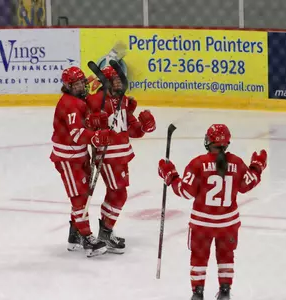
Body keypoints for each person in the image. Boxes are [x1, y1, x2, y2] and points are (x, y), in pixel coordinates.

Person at [157, 124, 267, 300]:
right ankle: (225, 292)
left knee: (199, 258)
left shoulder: (198, 163)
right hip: (228, 224)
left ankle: (197, 294)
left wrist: (170, 175)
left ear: (209, 141)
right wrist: (257, 166)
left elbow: (185, 191)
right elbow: (248, 184)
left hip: (202, 225)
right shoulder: (236, 163)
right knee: (226, 257)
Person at [85, 65, 156, 254]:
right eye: (115, 79)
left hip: (121, 154)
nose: (119, 82)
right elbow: (85, 126)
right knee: (119, 194)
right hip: (108, 155)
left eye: (120, 79)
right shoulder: (95, 100)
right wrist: (93, 122)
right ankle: (105, 233)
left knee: (115, 194)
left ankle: (105, 232)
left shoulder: (122, 100)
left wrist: (145, 127)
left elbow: (131, 129)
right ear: (106, 81)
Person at [50, 66, 115, 257]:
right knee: (79, 197)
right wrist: (95, 137)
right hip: (68, 158)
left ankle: (74, 235)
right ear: (68, 86)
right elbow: (77, 134)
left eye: (82, 83)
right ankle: (86, 237)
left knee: (83, 195)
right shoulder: (70, 104)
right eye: (76, 84)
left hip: (79, 154)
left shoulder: (79, 99)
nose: (81, 86)